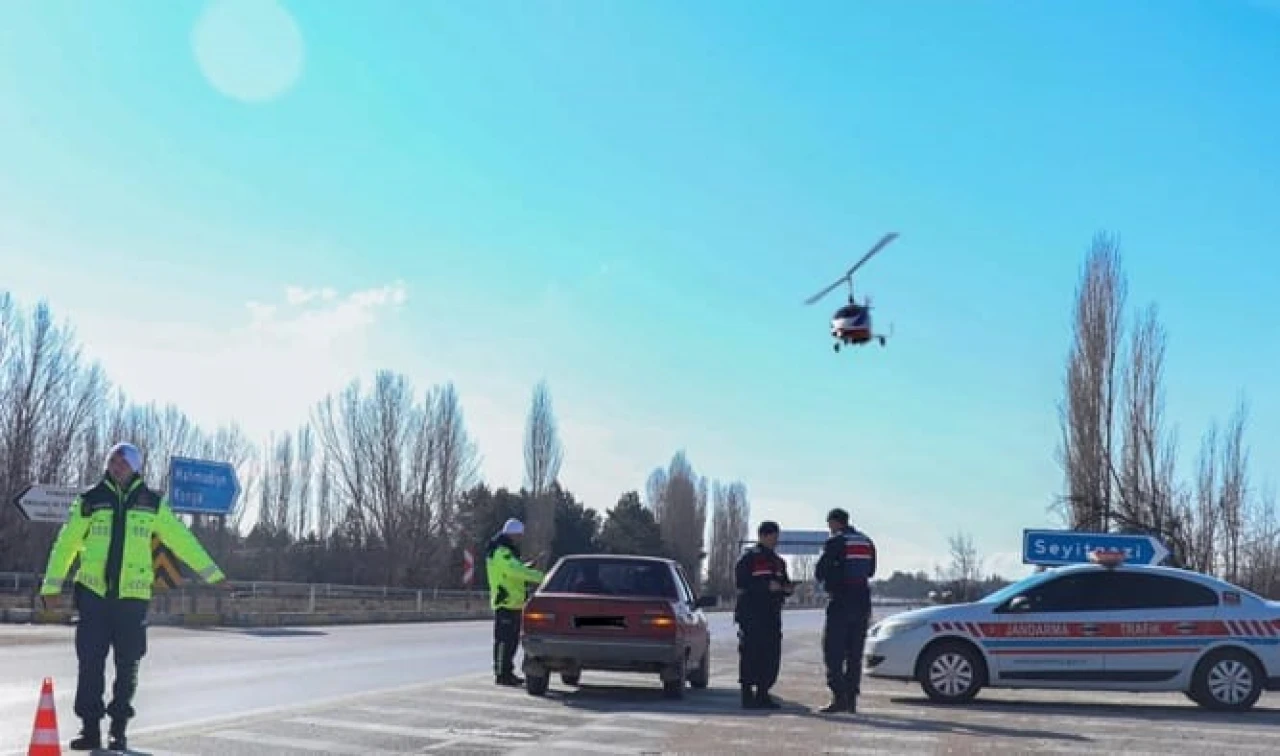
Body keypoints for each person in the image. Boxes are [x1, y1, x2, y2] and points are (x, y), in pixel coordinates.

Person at [38, 442, 228, 751]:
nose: (117, 466)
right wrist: (51, 586)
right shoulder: (91, 499)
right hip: (94, 596)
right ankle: (90, 728)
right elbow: (66, 544)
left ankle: (118, 729)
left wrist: (214, 575)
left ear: (135, 467)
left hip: (132, 598)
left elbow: (182, 541)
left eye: (123, 461)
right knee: (89, 664)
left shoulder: (152, 502)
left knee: (128, 665)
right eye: (113, 460)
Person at [813, 507, 877, 714]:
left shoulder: (837, 541)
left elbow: (820, 571)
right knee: (854, 653)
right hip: (862, 601)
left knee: (833, 650)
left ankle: (838, 696)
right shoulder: (866, 541)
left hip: (841, 600)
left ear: (834, 522)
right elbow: (870, 570)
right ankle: (851, 699)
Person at [734, 520, 793, 709]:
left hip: (771, 615)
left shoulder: (778, 562)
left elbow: (784, 582)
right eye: (772, 537)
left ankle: (763, 693)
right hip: (752, 614)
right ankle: (747, 695)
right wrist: (765, 586)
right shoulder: (749, 558)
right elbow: (741, 583)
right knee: (751, 653)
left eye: (777, 537)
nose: (775, 541)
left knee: (770, 655)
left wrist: (786, 589)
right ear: (762, 536)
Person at [484, 518, 546, 686]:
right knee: (504, 641)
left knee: (511, 641)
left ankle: (507, 672)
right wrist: (541, 577)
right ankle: (501, 674)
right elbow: (513, 570)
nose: (520, 539)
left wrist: (529, 566)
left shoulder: (507, 551)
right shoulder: (501, 551)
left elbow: (516, 568)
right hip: (505, 602)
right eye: (519, 535)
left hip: (514, 603)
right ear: (513, 534)